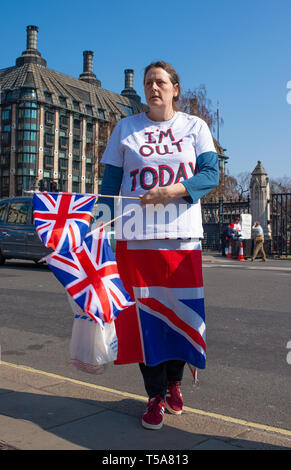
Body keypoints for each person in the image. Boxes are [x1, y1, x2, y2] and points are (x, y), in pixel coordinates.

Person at [98, 60, 219, 430]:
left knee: (181, 318)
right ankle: (153, 395)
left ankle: (174, 383)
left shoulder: (195, 127)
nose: (154, 88)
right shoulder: (125, 128)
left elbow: (210, 174)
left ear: (175, 88)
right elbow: (109, 187)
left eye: (161, 82)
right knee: (144, 322)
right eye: (149, 82)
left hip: (182, 238)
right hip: (135, 240)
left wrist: (174, 190)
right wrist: (100, 232)